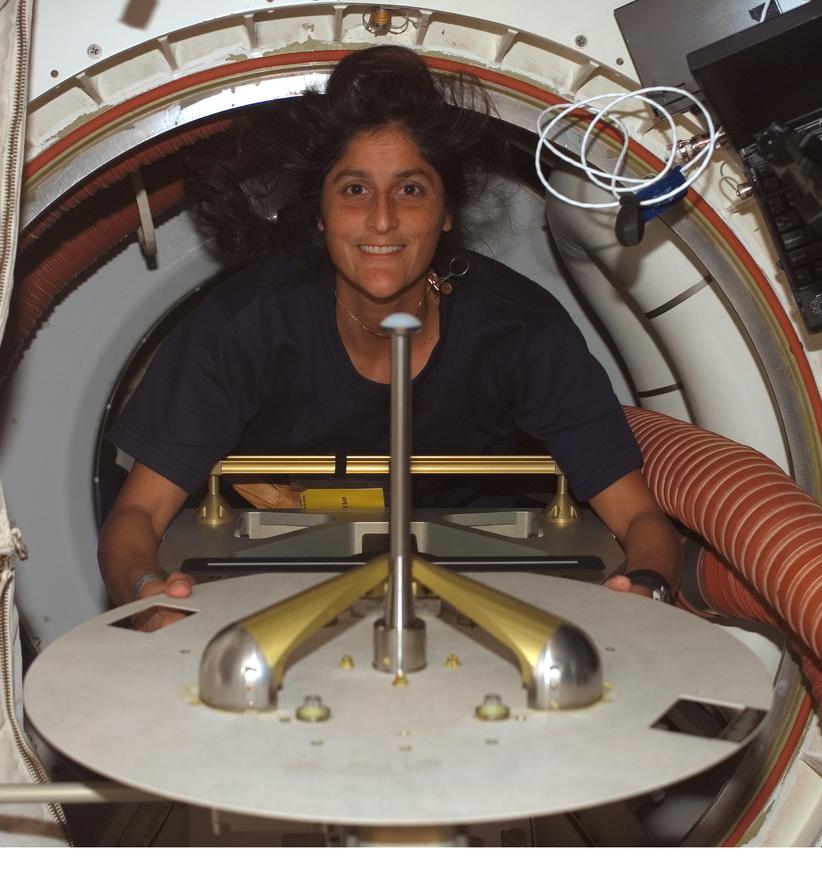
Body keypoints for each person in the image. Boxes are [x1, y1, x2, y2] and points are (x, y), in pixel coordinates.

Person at [98, 46, 680, 625]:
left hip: (478, 576)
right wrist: (152, 599)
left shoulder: (519, 328)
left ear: (446, 211)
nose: (381, 219)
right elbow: (138, 518)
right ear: (320, 212)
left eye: (410, 189)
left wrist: (645, 591)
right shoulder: (248, 322)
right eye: (354, 189)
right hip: (273, 572)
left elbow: (639, 521)